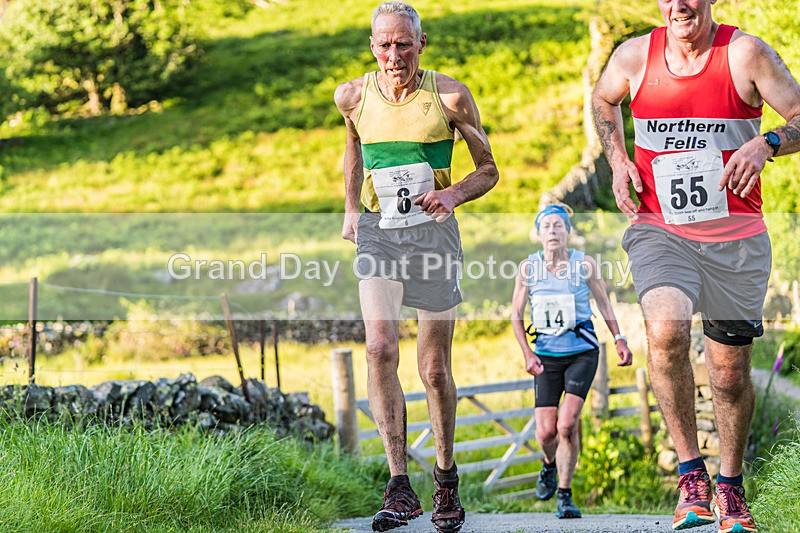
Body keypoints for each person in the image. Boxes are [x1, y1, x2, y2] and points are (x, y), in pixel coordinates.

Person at [592, 0, 800, 530]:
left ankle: (729, 486)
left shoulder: (744, 53)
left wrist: (767, 142)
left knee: (728, 374)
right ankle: (691, 476)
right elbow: (603, 100)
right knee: (664, 330)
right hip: (660, 229)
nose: (679, 5)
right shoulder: (635, 56)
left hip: (736, 237)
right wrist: (618, 160)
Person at [334, 3, 498, 532]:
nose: (394, 55)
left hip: (434, 236)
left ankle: (445, 480)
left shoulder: (449, 96)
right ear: (372, 45)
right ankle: (399, 486)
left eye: (404, 44)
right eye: (384, 45)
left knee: (432, 368)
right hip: (381, 233)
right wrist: (352, 209)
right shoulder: (353, 96)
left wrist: (451, 194)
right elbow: (354, 149)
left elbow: (489, 169)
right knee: (380, 347)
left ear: (421, 44)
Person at [511, 204, 633, 520]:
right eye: (546, 226)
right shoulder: (528, 268)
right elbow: (515, 314)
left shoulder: (585, 264)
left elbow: (604, 303)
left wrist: (619, 337)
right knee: (545, 433)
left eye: (558, 226)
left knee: (567, 425)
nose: (552, 231)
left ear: (568, 232)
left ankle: (564, 495)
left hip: (582, 352)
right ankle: (549, 465)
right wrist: (528, 353)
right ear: (538, 234)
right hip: (546, 357)